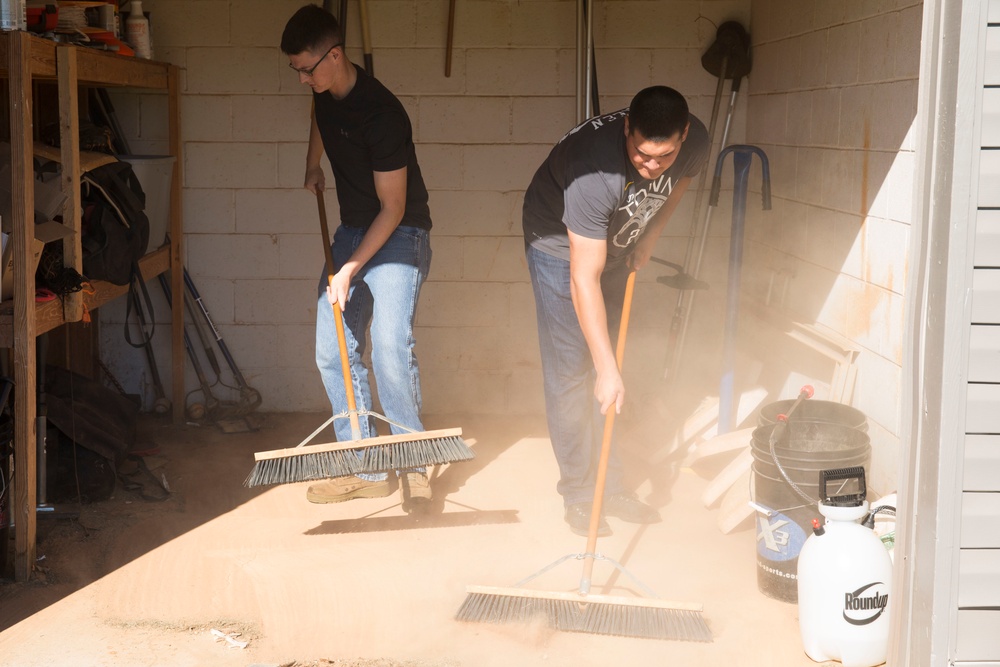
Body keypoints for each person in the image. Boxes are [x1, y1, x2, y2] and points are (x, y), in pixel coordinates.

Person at [522, 86, 709, 536]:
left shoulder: (695, 141)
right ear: (627, 129)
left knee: (614, 370)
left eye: (662, 157)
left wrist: (651, 234)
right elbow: (583, 277)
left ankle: (614, 483)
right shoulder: (593, 172)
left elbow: (679, 183)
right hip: (560, 247)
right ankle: (581, 493)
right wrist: (604, 368)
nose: (651, 167)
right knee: (576, 371)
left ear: (683, 136)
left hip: (619, 238)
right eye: (642, 156)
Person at [281, 4, 433, 510]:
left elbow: (393, 208)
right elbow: (321, 121)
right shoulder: (326, 93)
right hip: (353, 230)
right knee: (333, 349)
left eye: (307, 68)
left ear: (335, 55)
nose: (303, 80)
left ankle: (413, 462)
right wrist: (312, 165)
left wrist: (349, 268)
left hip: (399, 233)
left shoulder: (383, 115)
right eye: (296, 70)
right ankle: (364, 465)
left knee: (390, 343)